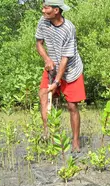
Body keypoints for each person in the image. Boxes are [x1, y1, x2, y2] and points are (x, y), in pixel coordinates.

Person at [35, 0, 86, 152]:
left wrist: (57, 81)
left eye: (46, 8)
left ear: (56, 10)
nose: (43, 11)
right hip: (52, 66)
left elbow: (66, 58)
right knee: (43, 94)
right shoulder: (43, 21)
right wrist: (47, 59)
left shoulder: (68, 28)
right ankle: (47, 134)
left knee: (72, 106)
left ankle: (75, 141)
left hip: (71, 70)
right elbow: (39, 43)